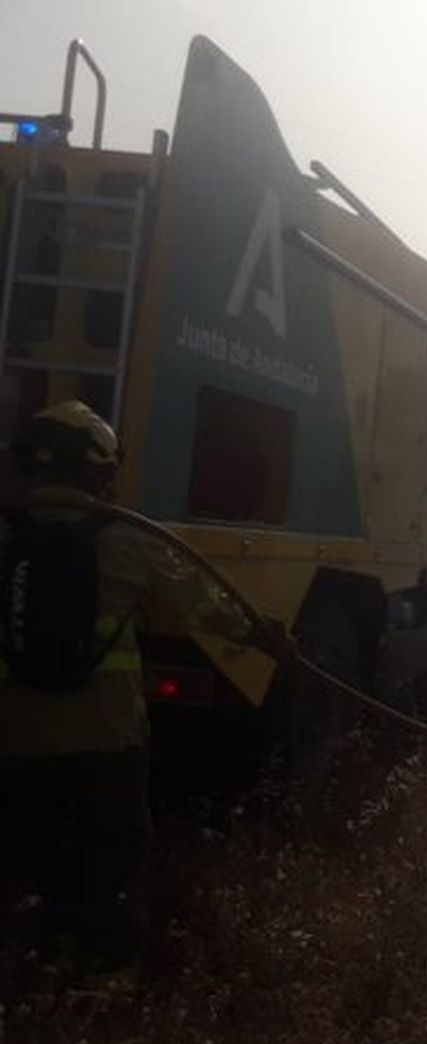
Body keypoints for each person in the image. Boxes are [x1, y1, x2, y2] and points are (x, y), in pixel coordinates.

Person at [0, 400, 289, 979]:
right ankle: (104, 983)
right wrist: (266, 636)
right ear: (97, 472)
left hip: (18, 740)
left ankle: (28, 969)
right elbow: (200, 607)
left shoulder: (7, 535)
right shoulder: (128, 543)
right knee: (111, 863)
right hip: (108, 740)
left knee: (30, 858)